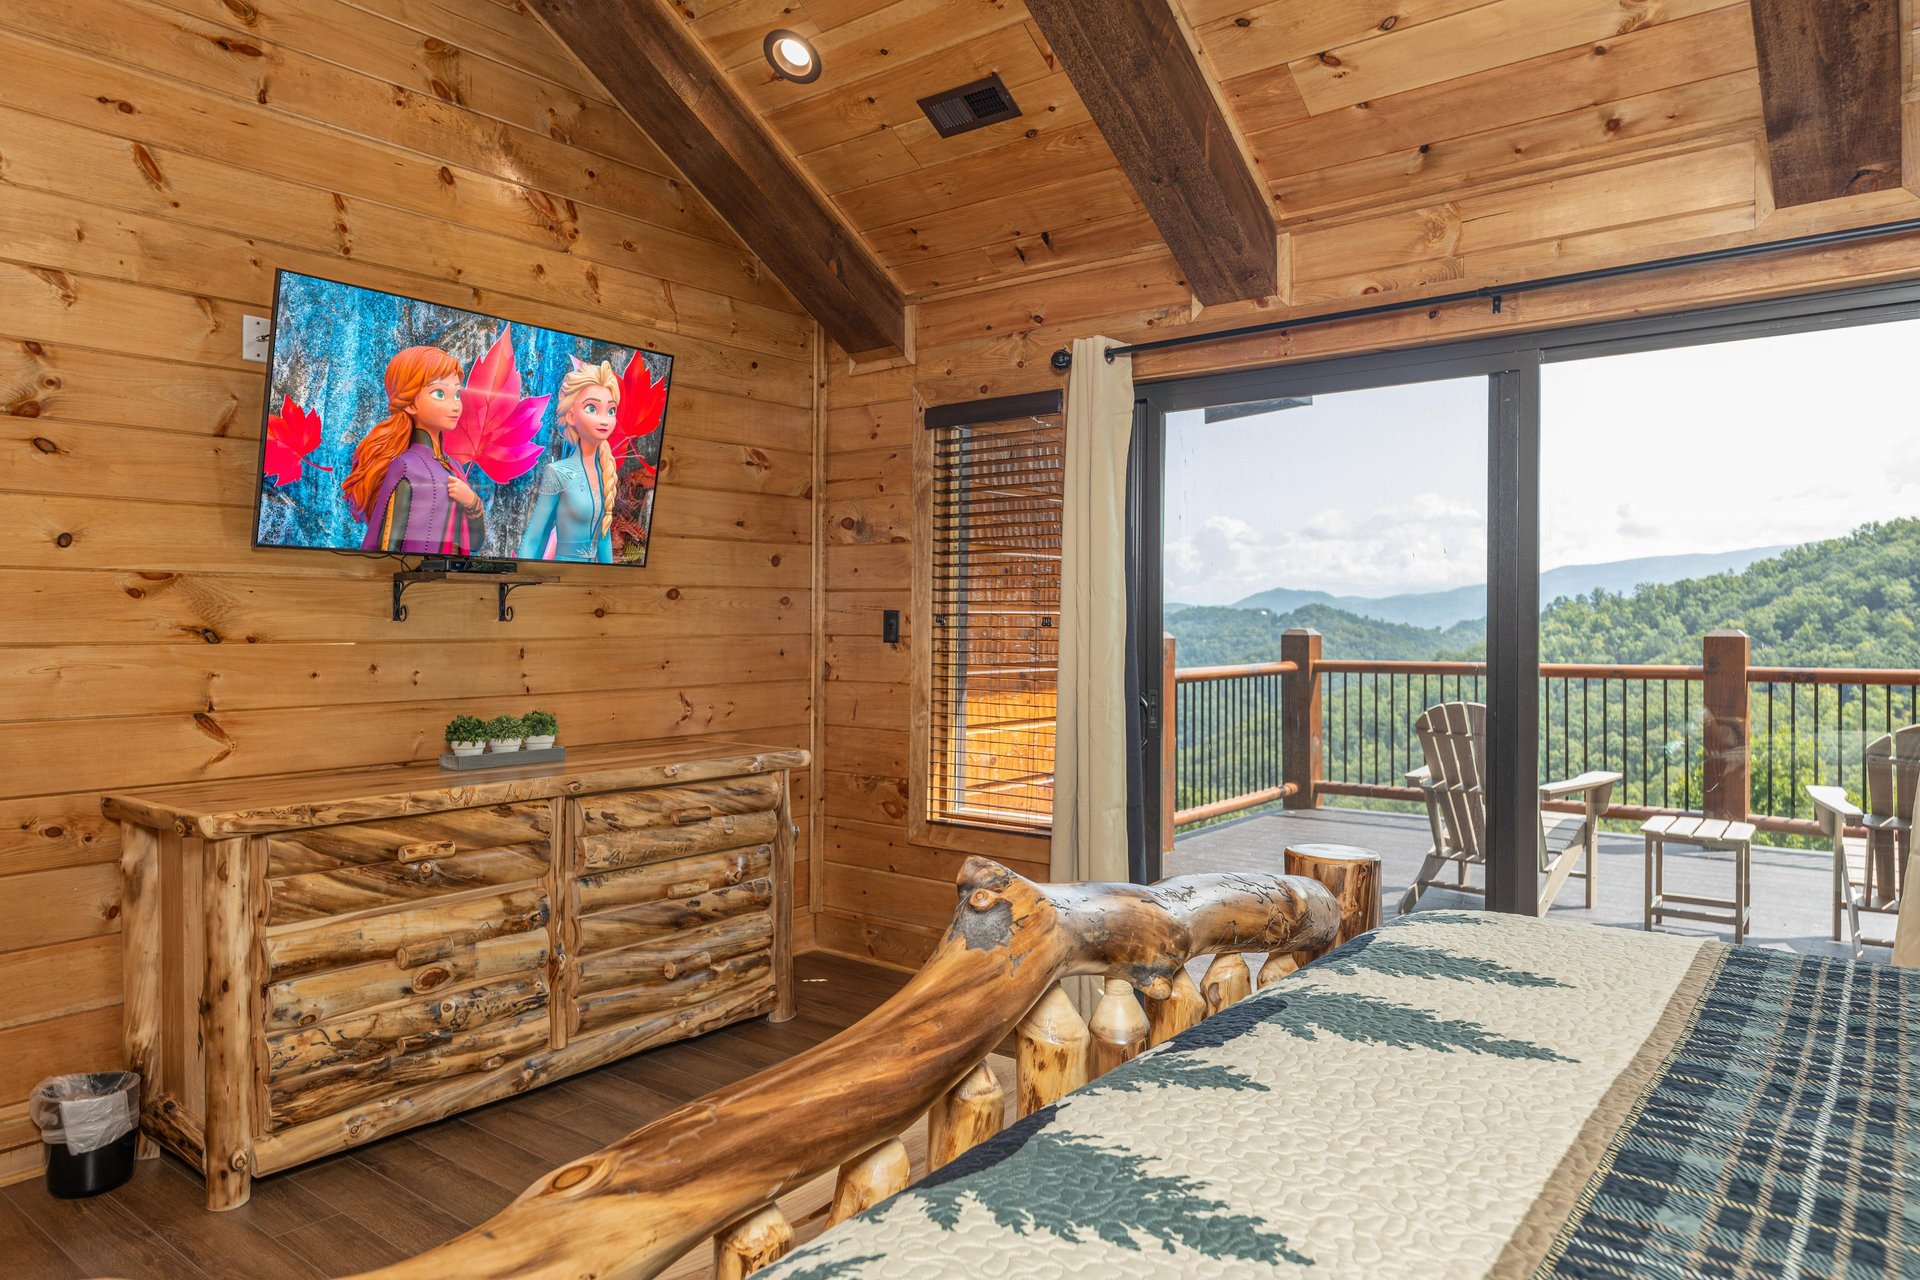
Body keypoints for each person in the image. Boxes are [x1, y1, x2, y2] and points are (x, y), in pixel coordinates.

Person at [340, 346, 486, 554]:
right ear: (410, 403)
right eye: (439, 393)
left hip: (454, 580)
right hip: (413, 581)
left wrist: (473, 502)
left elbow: (473, 543)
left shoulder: (453, 467)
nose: (455, 405)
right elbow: (388, 547)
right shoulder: (407, 467)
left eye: (457, 394)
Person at [518, 358, 619, 563]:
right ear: (572, 416)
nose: (604, 419)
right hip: (561, 577)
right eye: (592, 408)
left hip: (591, 584)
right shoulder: (558, 472)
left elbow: (604, 539)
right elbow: (536, 536)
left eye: (611, 410)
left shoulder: (606, 473)